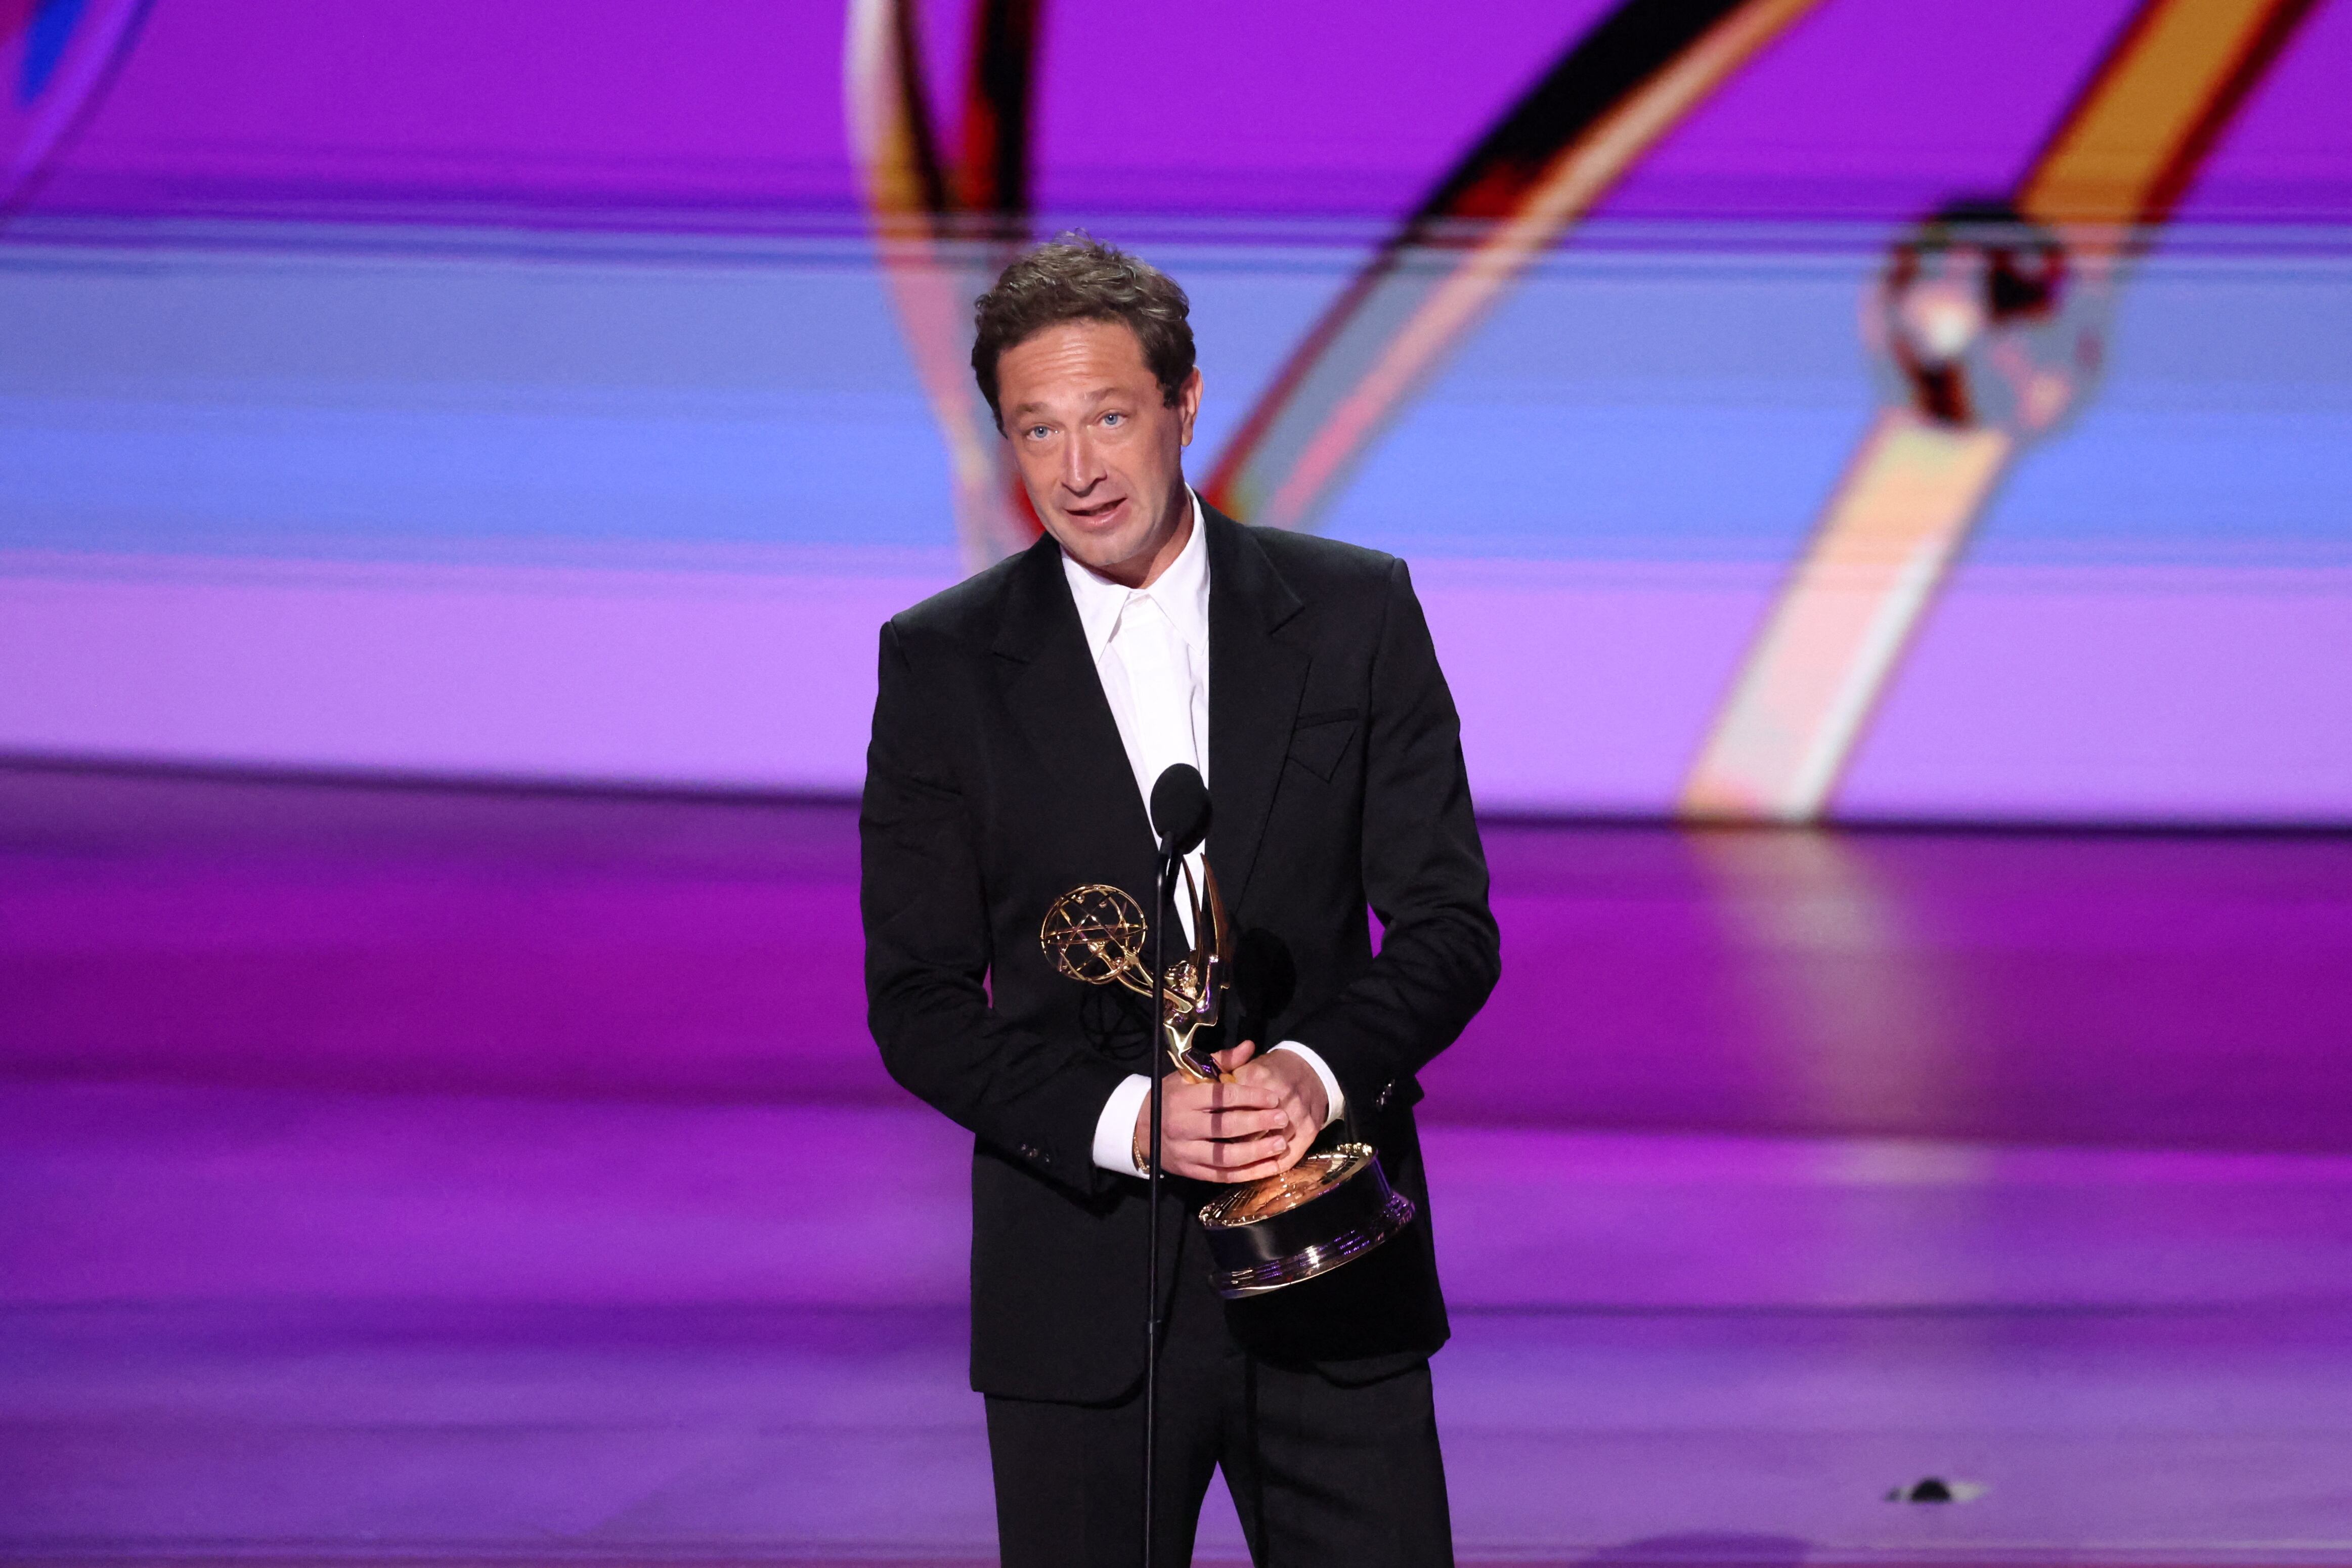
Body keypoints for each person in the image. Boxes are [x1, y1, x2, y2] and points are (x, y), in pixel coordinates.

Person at [860, 234, 1499, 1567]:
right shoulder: (942, 664)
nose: (1077, 468)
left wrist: (1316, 1074)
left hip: (1331, 1262)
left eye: (1106, 416)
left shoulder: (1350, 612)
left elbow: (1447, 927)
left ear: (1184, 401)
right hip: (1080, 1282)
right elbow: (917, 1002)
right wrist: (1132, 1119)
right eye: (1036, 429)